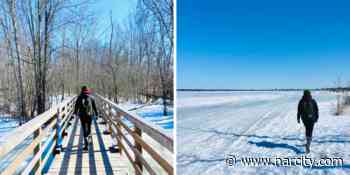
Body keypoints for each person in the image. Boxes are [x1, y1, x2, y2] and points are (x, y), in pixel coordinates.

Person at [74, 86, 98, 150]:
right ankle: (89, 140)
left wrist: (75, 113)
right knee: (89, 127)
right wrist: (96, 114)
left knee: (84, 128)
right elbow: (94, 107)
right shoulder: (92, 97)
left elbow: (76, 106)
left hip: (82, 115)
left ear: (82, 90)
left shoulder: (79, 97)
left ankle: (86, 144)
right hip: (90, 115)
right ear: (88, 90)